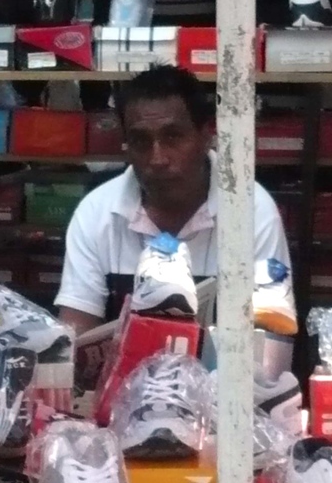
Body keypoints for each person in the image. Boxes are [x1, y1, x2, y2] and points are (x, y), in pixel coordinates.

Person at [55, 66, 291, 333]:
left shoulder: (252, 211)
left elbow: (273, 337)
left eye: (173, 137)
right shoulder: (96, 212)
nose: (158, 159)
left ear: (206, 136)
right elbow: (76, 330)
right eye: (141, 141)